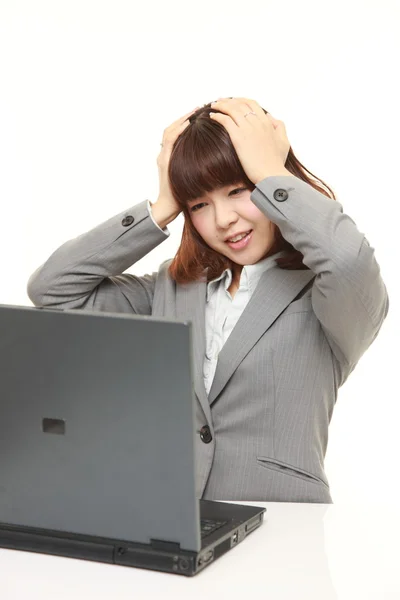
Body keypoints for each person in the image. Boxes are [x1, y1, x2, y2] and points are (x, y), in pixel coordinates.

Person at [27, 97, 389, 503]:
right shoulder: (171, 288)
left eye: (238, 190)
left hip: (284, 531)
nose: (223, 220)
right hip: (172, 523)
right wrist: (163, 206)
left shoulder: (327, 295)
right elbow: (53, 291)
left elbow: (348, 259)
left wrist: (270, 171)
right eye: (200, 204)